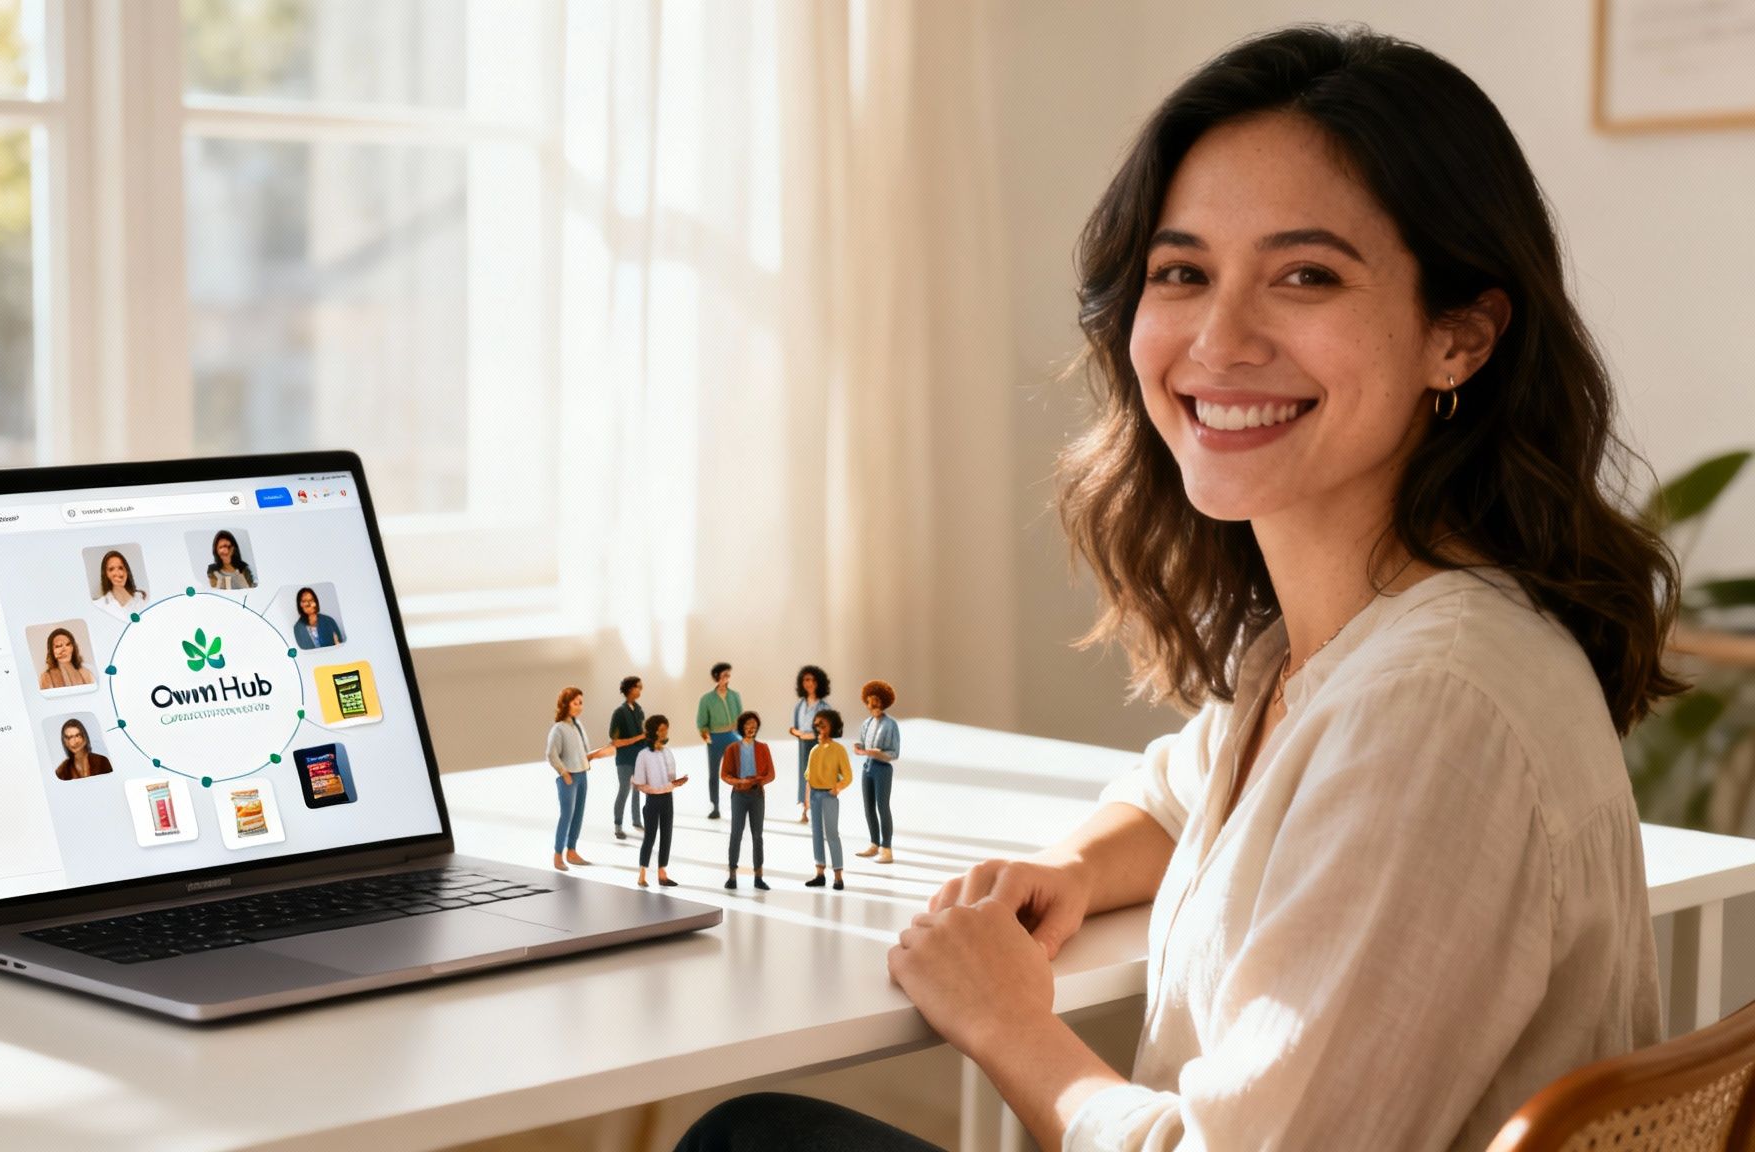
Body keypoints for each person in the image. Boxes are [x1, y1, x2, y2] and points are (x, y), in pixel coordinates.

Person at [680, 24, 1679, 1152]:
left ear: (1459, 337)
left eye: (1306, 275)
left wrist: (1005, 1022)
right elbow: (1189, 789)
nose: (1219, 338)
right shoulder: (1338, 641)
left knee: (749, 1141)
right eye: (1183, 273)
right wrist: (1069, 868)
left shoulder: (1434, 705)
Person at [546, 686, 613, 871]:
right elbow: (551, 754)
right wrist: (564, 773)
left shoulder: (577, 726)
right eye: (576, 703)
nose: (579, 706)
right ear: (566, 704)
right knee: (566, 816)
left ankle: (572, 851)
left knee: (578, 815)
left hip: (582, 775)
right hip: (569, 778)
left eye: (581, 703)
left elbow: (582, 754)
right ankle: (558, 855)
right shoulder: (558, 729)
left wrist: (600, 753)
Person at [719, 710, 775, 890]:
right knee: (736, 834)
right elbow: (724, 774)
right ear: (742, 727)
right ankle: (732, 875)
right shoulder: (732, 749)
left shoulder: (763, 748)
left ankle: (758, 876)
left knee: (757, 835)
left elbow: (771, 774)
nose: (751, 728)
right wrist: (739, 782)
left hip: (757, 795)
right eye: (748, 724)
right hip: (739, 795)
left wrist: (758, 781)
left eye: (754, 725)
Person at [632, 714, 687, 888]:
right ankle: (642, 874)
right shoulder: (643, 755)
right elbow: (640, 783)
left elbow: (671, 778)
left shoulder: (667, 752)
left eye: (666, 729)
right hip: (652, 800)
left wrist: (676, 783)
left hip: (667, 799)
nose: (665, 733)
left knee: (666, 835)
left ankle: (662, 873)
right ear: (653, 731)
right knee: (650, 836)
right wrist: (660, 788)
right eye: (661, 729)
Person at [801, 709, 851, 890]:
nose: (819, 728)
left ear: (832, 726)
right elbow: (808, 777)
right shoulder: (814, 750)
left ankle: (838, 876)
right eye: (816, 725)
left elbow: (848, 776)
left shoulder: (838, 750)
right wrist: (806, 802)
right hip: (814, 795)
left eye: (823, 724)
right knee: (816, 834)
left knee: (831, 834)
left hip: (829, 796)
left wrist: (837, 788)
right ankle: (820, 873)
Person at [852, 680, 900, 864]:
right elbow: (864, 744)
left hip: (882, 769)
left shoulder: (891, 725)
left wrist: (879, 753)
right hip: (868, 767)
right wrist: (859, 748)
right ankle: (874, 843)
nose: (873, 706)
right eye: (870, 702)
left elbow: (894, 753)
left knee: (882, 807)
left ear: (884, 702)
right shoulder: (867, 723)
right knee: (869, 807)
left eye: (877, 702)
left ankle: (887, 849)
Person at [694, 661, 742, 820]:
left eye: (728, 674)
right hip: (715, 738)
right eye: (724, 674)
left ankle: (739, 805)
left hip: (733, 737)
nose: (727, 677)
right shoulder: (706, 699)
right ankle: (715, 807)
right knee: (714, 774)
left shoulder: (735, 696)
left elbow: (741, 718)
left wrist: (741, 736)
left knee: (738, 772)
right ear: (717, 676)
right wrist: (705, 735)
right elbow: (701, 722)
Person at [786, 665, 832, 824]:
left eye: (813, 680)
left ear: (819, 682)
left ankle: (821, 810)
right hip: (803, 745)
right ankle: (805, 810)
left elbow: (827, 729)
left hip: (819, 745)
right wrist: (800, 734)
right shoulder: (799, 705)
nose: (809, 683)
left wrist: (809, 734)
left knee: (818, 776)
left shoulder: (824, 706)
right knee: (804, 776)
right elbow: (793, 728)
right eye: (806, 679)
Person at [609, 676, 648, 839]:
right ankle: (618, 825)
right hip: (624, 759)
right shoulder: (619, 713)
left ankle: (636, 821)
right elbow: (614, 740)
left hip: (639, 757)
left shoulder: (639, 710)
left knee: (637, 789)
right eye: (638, 687)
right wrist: (637, 738)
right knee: (624, 789)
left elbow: (644, 733)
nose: (641, 690)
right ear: (630, 689)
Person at [92, 550, 147, 616]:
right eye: (111, 569)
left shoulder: (141, 598)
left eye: (121, 568)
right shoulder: (99, 605)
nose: (117, 573)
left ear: (127, 571)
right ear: (106, 574)